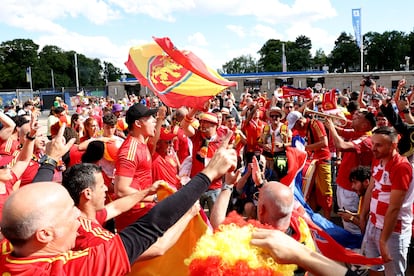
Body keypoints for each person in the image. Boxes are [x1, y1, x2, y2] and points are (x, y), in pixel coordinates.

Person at [0, 131, 237, 274]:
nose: (77, 217)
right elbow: (147, 235)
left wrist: (146, 191)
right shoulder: (72, 269)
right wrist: (208, 174)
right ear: (43, 234)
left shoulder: (10, 248)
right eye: (69, 213)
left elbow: (114, 207)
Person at [360, 126, 414, 275]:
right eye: (373, 143)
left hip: (393, 232)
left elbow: (394, 208)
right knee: (373, 268)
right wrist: (364, 215)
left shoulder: (401, 167)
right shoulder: (378, 159)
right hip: (374, 224)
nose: (374, 148)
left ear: (393, 145)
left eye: (379, 145)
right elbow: (371, 188)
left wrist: (383, 241)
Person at [113, 103, 164, 231]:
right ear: (138, 124)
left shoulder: (141, 144)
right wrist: (155, 198)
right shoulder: (130, 150)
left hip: (143, 213)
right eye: (149, 118)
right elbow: (120, 190)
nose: (153, 120)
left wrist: (160, 120)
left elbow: (154, 140)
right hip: (133, 217)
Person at [324, 110, 376, 234]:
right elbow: (340, 131)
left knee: (352, 225)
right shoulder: (356, 133)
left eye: (357, 117)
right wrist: (330, 121)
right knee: (346, 221)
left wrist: (331, 126)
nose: (353, 117)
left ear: (365, 125)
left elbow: (341, 145)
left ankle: (357, 249)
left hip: (351, 189)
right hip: (345, 185)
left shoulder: (366, 139)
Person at [180, 108, 229, 214]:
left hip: (214, 187)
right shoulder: (196, 136)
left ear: (215, 126)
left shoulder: (221, 142)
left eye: (207, 123)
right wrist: (193, 110)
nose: (202, 125)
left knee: (215, 219)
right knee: (194, 218)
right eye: (201, 122)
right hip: (197, 185)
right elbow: (184, 125)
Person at [287, 110, 332, 219]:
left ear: (299, 122)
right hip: (312, 160)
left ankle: (327, 219)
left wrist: (305, 148)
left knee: (325, 191)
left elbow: (324, 143)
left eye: (296, 126)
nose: (296, 129)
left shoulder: (315, 123)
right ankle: (313, 218)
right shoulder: (305, 127)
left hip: (322, 160)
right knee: (311, 191)